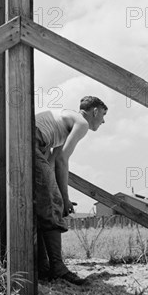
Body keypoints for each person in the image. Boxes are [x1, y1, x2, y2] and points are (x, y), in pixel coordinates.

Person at [35, 96, 108, 284]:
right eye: (103, 115)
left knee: (45, 205)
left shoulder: (64, 124)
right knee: (53, 203)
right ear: (95, 112)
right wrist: (64, 199)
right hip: (32, 140)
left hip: (35, 142)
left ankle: (43, 266)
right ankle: (57, 268)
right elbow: (62, 161)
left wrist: (60, 195)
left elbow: (52, 163)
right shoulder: (82, 123)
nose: (103, 121)